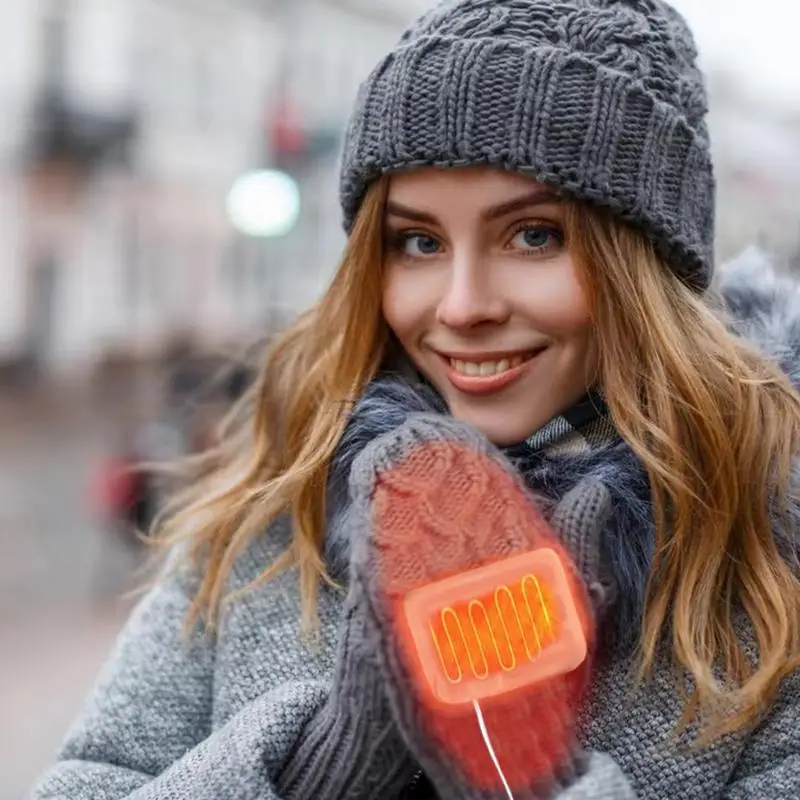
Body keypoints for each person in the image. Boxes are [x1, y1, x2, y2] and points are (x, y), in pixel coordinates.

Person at [30, 1, 800, 798]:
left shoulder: (771, 557)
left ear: (645, 265)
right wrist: (330, 763)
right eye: (419, 242)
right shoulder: (279, 498)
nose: (462, 306)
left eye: (534, 235)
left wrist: (524, 765)